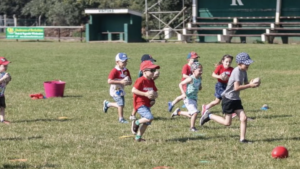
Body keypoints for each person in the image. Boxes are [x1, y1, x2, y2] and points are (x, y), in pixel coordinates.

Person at [200, 52, 259, 143]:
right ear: (239, 63)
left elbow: (246, 83)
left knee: (243, 118)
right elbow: (237, 87)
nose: (248, 64)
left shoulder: (243, 71)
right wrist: (250, 86)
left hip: (236, 99)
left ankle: (242, 139)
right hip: (228, 99)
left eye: (249, 63)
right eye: (246, 63)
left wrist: (253, 83)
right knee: (227, 123)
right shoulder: (236, 72)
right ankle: (209, 115)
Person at [131, 60, 160, 142]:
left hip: (147, 104)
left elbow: (155, 92)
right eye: (151, 70)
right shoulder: (141, 80)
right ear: (144, 71)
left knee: (146, 122)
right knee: (149, 117)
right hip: (140, 104)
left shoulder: (151, 81)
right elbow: (133, 90)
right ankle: (136, 122)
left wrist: (155, 95)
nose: (153, 72)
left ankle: (138, 137)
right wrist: (145, 94)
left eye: (154, 70)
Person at [171, 62, 203, 131]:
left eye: (201, 70)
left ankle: (178, 112)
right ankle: (192, 128)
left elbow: (199, 85)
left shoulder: (200, 78)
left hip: (194, 98)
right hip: (188, 98)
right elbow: (180, 84)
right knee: (195, 113)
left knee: (191, 114)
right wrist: (183, 93)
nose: (201, 72)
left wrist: (200, 87)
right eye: (199, 70)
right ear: (193, 71)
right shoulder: (190, 78)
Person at [103, 53, 132, 123]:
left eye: (126, 61)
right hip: (115, 90)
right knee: (121, 104)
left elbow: (130, 82)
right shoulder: (114, 71)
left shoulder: (126, 70)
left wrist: (127, 82)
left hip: (121, 89)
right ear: (117, 62)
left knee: (121, 104)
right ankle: (121, 119)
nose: (125, 63)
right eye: (123, 62)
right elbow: (109, 81)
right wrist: (120, 82)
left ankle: (107, 104)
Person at [129, 54, 159, 121]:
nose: (152, 62)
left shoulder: (150, 72)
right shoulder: (142, 73)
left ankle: (144, 114)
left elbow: (150, 81)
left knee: (150, 102)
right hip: (142, 91)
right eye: (150, 61)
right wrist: (146, 94)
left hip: (148, 90)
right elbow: (141, 83)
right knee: (138, 103)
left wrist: (155, 76)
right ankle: (133, 115)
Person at [0, 57, 12, 125]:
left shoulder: (4, 74)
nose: (6, 67)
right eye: (4, 66)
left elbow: (5, 84)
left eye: (6, 66)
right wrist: (3, 78)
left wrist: (8, 80)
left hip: (1, 94)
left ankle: (2, 120)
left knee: (2, 107)